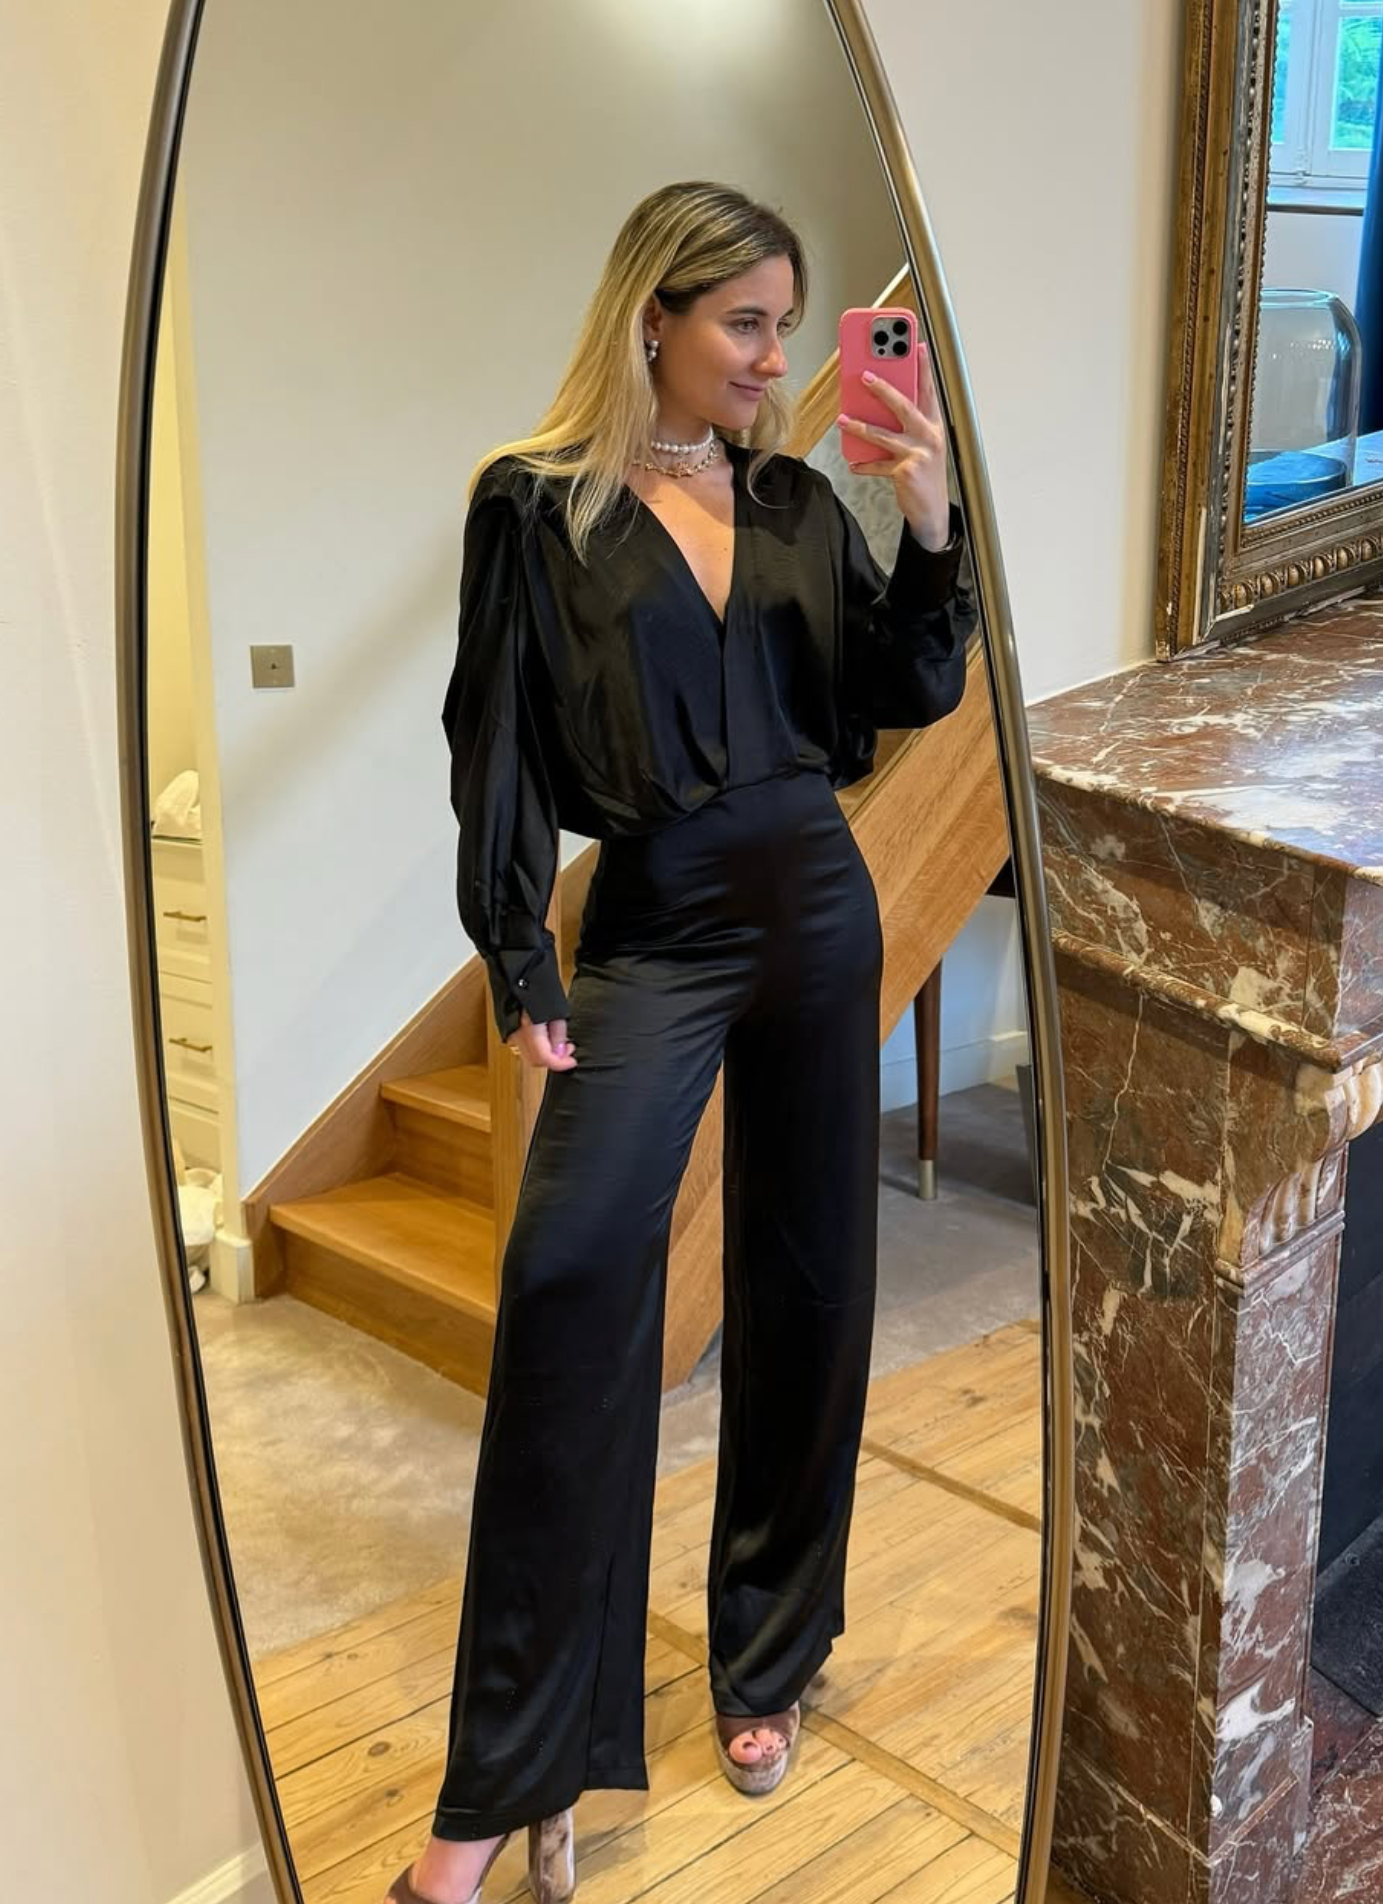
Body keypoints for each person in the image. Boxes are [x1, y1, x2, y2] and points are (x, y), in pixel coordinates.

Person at [386, 180, 976, 1904]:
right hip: (651, 924)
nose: (776, 357)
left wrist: (929, 518)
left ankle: (766, 1654)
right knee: (570, 1287)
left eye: (789, 324)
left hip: (820, 903)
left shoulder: (797, 501)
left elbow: (907, 687)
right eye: (746, 323)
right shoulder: (534, 507)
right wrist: (519, 955)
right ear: (653, 317)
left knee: (811, 1285)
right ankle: (506, 1782)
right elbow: (494, 745)